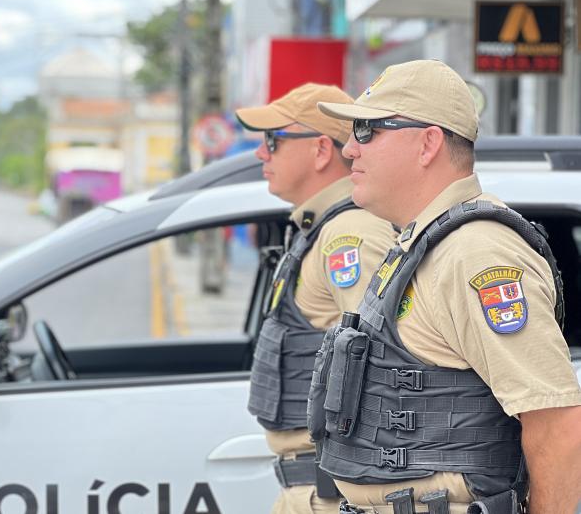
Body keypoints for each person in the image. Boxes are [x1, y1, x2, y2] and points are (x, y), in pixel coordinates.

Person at [311, 59, 581, 513]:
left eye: (367, 131)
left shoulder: (476, 253)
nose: (349, 150)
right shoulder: (421, 243)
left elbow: (556, 421)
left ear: (428, 143)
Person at [235, 83, 397, 514]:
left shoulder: (350, 236)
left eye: (274, 140)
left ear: (322, 150)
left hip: (330, 490)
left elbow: (385, 360)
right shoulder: (320, 231)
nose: (260, 154)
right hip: (312, 486)